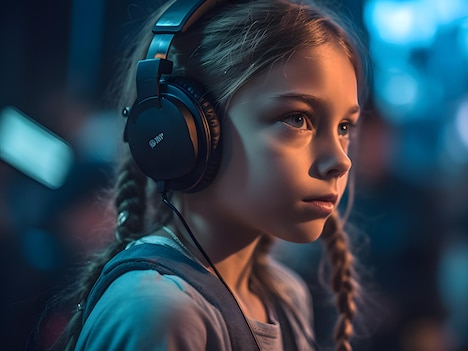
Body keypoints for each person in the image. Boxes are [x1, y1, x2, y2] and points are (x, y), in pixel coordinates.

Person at [49, 0, 369, 350]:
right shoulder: (158, 313)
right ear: (186, 133)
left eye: (343, 127)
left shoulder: (285, 296)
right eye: (296, 118)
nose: (340, 160)